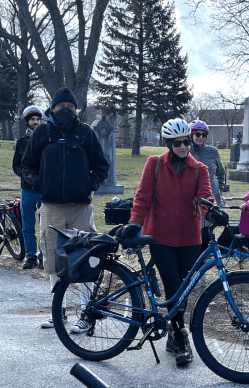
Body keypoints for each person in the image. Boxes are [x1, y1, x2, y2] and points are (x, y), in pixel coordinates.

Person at [117, 118, 213, 367]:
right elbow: (143, 196)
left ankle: (174, 332)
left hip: (190, 236)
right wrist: (135, 222)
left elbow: (205, 196)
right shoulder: (155, 164)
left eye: (186, 142)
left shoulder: (199, 168)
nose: (183, 147)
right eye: (177, 143)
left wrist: (212, 212)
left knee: (185, 287)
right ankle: (180, 336)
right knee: (172, 286)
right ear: (169, 144)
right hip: (160, 235)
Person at [21, 87, 110, 330]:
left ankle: (86, 311)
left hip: (81, 207)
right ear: (53, 108)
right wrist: (39, 183)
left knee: (85, 259)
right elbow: (27, 165)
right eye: (62, 106)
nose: (66, 110)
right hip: (51, 207)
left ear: (76, 109)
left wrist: (89, 185)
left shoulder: (85, 132)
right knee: (52, 259)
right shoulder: (42, 133)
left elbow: (101, 165)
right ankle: (58, 311)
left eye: (71, 106)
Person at [12, 106, 44, 269]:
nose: (36, 122)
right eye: (32, 119)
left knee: (46, 225)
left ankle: (44, 256)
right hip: (27, 189)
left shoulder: (46, 140)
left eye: (38, 119)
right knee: (28, 225)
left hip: (44, 189)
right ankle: (31, 256)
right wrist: (25, 175)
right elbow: (16, 165)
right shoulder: (21, 143)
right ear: (27, 121)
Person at [190, 120, 227, 251]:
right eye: (197, 134)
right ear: (191, 135)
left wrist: (219, 191)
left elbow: (221, 173)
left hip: (210, 199)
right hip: (193, 200)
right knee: (194, 235)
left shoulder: (213, 151)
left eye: (204, 135)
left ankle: (201, 260)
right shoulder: (185, 152)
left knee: (205, 234)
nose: (201, 137)